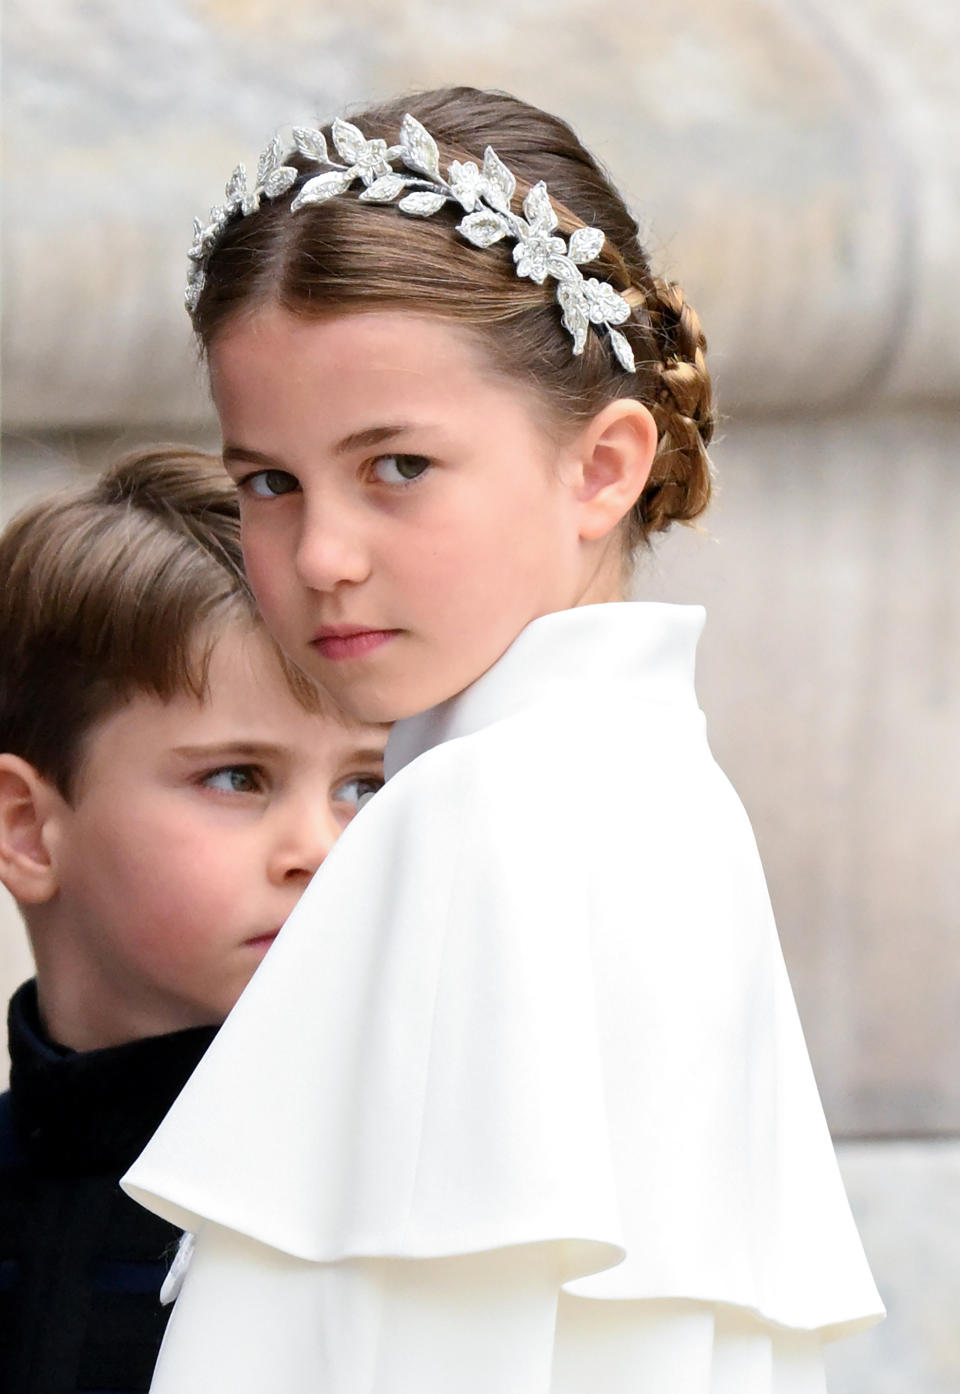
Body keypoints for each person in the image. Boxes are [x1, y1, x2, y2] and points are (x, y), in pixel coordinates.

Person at [124, 89, 884, 1392]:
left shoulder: (472, 813)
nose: (321, 557)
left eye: (399, 467)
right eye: (268, 480)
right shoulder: (667, 799)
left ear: (604, 467)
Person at [0, 447, 387, 1394]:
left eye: (363, 788)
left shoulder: (410, 1204)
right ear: (28, 831)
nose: (321, 847)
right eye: (236, 778)